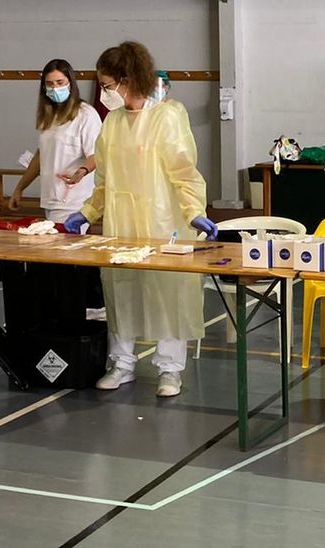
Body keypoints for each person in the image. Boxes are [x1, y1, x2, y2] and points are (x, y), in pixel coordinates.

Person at [64, 41, 216, 398]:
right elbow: (104, 179)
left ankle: (170, 369)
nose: (103, 93)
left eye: (106, 85)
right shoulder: (112, 123)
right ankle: (122, 363)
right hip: (121, 224)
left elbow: (184, 172)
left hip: (164, 222)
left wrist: (194, 212)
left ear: (127, 79)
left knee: (167, 293)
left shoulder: (167, 116)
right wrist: (87, 213)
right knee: (121, 290)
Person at [8, 59, 102, 223]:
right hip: (50, 198)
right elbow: (41, 156)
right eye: (50, 84)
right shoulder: (49, 117)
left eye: (60, 82)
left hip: (74, 200)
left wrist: (81, 172)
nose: (55, 88)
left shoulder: (86, 114)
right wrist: (20, 188)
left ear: (70, 83)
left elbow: (97, 154)